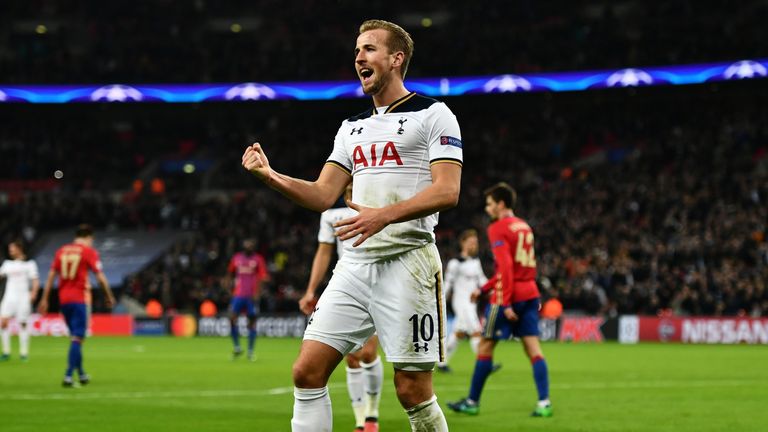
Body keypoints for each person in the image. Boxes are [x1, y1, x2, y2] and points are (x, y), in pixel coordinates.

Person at [242, 19, 462, 432]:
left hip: (409, 261)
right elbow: (323, 195)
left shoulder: (434, 114)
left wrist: (381, 215)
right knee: (307, 372)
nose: (359, 56)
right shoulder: (352, 128)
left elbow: (447, 191)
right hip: (356, 266)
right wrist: (270, 176)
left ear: (397, 59)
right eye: (357, 50)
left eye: (369, 49)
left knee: (412, 389)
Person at [447, 183, 552, 417]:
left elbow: (505, 268)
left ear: (501, 204)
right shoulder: (524, 226)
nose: (487, 208)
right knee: (533, 349)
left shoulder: (498, 228)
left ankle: (472, 402)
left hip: (508, 296)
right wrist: (484, 288)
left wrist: (504, 303)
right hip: (530, 293)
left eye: (489, 203)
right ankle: (544, 403)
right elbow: (514, 268)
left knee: (485, 346)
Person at [299, 185, 384, 432]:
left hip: (379, 286)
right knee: (353, 357)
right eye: (348, 189)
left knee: (368, 353)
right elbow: (323, 254)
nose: (352, 193)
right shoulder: (332, 217)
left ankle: (373, 412)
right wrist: (310, 290)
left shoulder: (378, 211)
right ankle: (362, 420)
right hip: (349, 286)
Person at [38, 224, 116, 387]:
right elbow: (100, 277)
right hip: (79, 299)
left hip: (63, 300)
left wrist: (44, 299)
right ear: (88, 237)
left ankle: (81, 374)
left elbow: (51, 276)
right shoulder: (88, 252)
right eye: (91, 241)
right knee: (77, 338)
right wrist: (109, 295)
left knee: (76, 338)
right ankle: (68, 376)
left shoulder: (61, 251)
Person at [437, 229, 489, 373]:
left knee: (458, 333)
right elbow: (447, 284)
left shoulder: (476, 262)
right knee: (476, 331)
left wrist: (493, 287)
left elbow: (482, 280)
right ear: (463, 243)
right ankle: (484, 364)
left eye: (476, 243)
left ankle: (441, 363)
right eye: (471, 242)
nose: (474, 245)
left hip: (472, 303)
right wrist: (440, 300)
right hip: (461, 302)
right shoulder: (455, 263)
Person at [227, 238, 269, 361]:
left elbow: (263, 276)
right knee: (231, 319)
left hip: (251, 296)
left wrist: (258, 292)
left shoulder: (258, 259)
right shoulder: (236, 258)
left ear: (254, 247)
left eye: (251, 244)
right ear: (243, 245)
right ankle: (237, 348)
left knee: (251, 322)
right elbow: (229, 273)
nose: (249, 245)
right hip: (238, 295)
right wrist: (230, 289)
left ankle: (250, 351)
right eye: (247, 243)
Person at [0, 241, 40, 362]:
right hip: (9, 297)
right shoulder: (7, 264)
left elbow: (35, 280)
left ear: (19, 248)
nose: (10, 251)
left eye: (12, 248)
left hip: (23, 297)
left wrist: (34, 293)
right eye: (9, 249)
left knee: (23, 323)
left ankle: (24, 353)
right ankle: (6, 351)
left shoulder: (29, 264)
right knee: (3, 322)